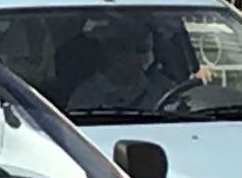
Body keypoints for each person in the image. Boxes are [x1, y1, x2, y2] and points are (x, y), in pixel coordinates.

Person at [66, 18, 214, 111]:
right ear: (107, 53)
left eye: (139, 49)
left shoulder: (164, 89)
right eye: (121, 49)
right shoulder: (87, 94)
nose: (130, 56)